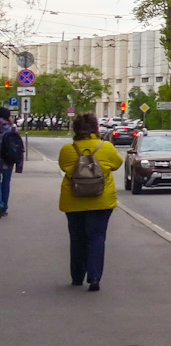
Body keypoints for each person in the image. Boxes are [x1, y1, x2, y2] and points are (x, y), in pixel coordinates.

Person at [57, 113, 122, 291]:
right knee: (97, 238)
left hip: (74, 200)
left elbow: (63, 166)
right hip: (101, 200)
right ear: (96, 128)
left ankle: (77, 277)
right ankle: (94, 278)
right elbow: (117, 164)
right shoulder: (106, 147)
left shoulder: (67, 150)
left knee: (77, 239)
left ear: (75, 129)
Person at [0, 105, 23, 217]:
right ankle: (4, 208)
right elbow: (19, 146)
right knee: (6, 183)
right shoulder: (13, 128)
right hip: (8, 159)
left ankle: (0, 203)